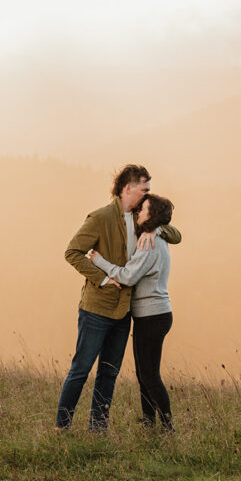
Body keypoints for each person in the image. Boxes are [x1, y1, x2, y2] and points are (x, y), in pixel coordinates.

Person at [56, 165, 181, 431]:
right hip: (97, 307)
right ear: (128, 188)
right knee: (81, 369)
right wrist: (101, 278)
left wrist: (154, 229)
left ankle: (97, 429)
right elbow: (72, 252)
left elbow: (176, 233)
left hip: (125, 312)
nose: (149, 193)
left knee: (109, 373)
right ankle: (61, 427)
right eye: (144, 189)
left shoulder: (145, 222)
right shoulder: (101, 217)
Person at [89, 192, 176, 431]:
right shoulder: (154, 238)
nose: (138, 211)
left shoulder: (151, 244)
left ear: (152, 215)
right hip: (152, 314)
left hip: (152, 316)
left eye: (143, 209)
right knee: (143, 373)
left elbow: (127, 276)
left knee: (149, 375)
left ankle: (168, 428)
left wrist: (99, 261)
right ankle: (149, 424)